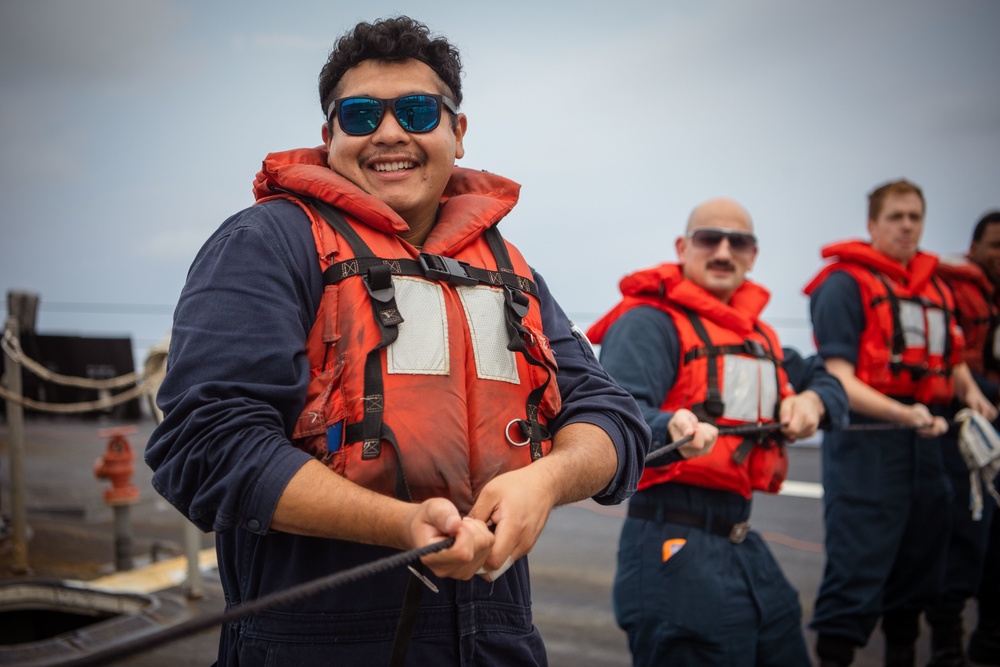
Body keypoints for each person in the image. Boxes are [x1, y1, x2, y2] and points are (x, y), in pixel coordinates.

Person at [144, 16, 649, 666]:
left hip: (498, 639)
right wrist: (400, 524)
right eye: (359, 115)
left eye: (416, 110)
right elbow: (205, 445)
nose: (389, 133)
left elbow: (613, 419)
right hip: (314, 641)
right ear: (329, 137)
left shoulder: (509, 270)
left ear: (457, 132)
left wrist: (544, 482)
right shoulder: (266, 244)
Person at [587, 197, 849, 666]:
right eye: (710, 239)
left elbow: (826, 380)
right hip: (671, 540)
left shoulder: (758, 339)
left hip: (740, 540)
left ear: (753, 255)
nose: (724, 251)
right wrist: (673, 426)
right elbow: (613, 418)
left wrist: (813, 400)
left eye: (739, 242)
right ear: (683, 247)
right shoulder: (648, 323)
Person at [804, 179, 998, 667]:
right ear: (873, 224)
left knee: (921, 568)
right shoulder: (844, 285)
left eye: (915, 217)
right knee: (855, 571)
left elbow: (950, 360)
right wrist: (902, 413)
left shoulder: (936, 289)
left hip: (929, 449)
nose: (907, 226)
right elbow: (838, 377)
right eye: (896, 216)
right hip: (869, 447)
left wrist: (971, 393)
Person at [932, 210, 1000, 666]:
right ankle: (947, 645)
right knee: (965, 533)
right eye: (995, 245)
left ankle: (989, 641)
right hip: (963, 425)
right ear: (974, 248)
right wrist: (974, 392)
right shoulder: (950, 290)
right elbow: (951, 356)